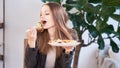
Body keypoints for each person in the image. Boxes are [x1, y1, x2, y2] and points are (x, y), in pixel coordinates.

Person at [24, 2, 78, 68]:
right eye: (41, 14)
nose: (42, 17)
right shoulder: (38, 35)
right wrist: (32, 41)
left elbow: (65, 66)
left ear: (57, 16)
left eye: (46, 14)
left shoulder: (70, 36)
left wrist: (67, 52)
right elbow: (30, 66)